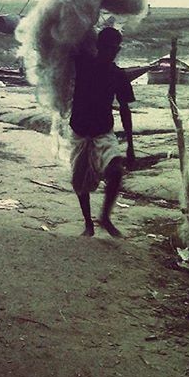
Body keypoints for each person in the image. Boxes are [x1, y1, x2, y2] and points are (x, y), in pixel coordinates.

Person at [68, 27, 135, 238]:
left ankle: (104, 217)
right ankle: (88, 224)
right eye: (107, 47)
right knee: (80, 181)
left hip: (103, 132)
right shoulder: (83, 63)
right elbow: (71, 38)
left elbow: (125, 109)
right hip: (79, 131)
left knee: (116, 171)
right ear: (97, 46)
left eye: (115, 49)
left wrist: (131, 145)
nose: (111, 52)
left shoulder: (118, 75)